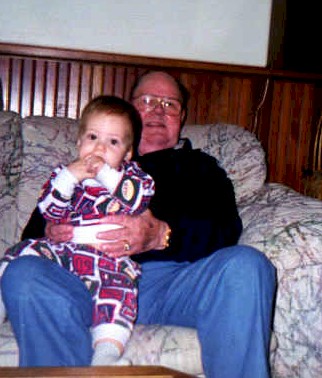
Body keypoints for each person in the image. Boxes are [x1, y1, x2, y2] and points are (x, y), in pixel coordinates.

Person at [1, 71, 276, 377]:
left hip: (170, 283)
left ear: (181, 117)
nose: (159, 110)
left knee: (247, 265)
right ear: (130, 109)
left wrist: (163, 234)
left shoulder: (201, 167)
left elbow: (225, 230)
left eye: (170, 104)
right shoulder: (82, 166)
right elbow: (32, 235)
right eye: (147, 101)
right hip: (79, 278)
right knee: (24, 273)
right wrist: (52, 231)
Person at [0, 95, 155, 366]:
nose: (100, 148)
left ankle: (105, 356)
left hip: (107, 257)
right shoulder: (67, 175)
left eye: (113, 142)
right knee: (20, 253)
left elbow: (137, 199)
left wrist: (106, 174)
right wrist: (69, 177)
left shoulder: (131, 177)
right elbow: (49, 210)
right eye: (93, 137)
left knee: (118, 294)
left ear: (128, 153)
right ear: (79, 142)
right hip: (64, 250)